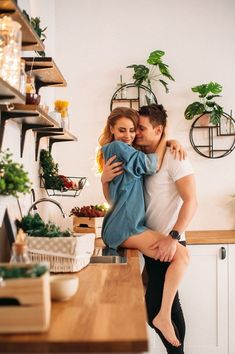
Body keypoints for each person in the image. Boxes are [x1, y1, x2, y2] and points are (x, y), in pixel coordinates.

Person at [101, 104, 197, 354]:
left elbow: (192, 201)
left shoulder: (174, 157)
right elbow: (116, 197)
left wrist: (173, 238)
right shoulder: (135, 153)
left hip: (167, 238)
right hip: (144, 234)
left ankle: (170, 335)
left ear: (158, 129)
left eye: (139, 128)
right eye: (129, 129)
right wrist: (104, 179)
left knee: (162, 305)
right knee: (161, 305)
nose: (135, 134)